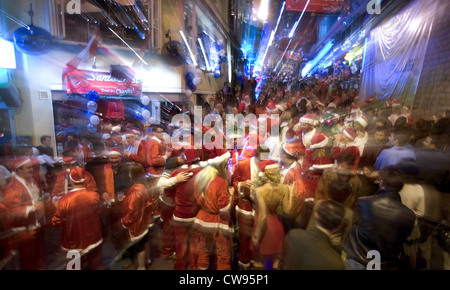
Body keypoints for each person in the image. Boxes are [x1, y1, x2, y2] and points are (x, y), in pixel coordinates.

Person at [343, 165, 416, 270]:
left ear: (381, 182)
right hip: (384, 264)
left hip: (358, 260)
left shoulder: (363, 202)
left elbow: (353, 226)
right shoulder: (409, 215)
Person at [52, 167, 103, 270]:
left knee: (73, 266)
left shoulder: (64, 200)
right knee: (96, 263)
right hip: (93, 235)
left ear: (71, 180)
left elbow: (56, 222)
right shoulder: (94, 195)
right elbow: (98, 211)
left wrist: (56, 206)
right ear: (84, 179)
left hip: (73, 239)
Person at [191, 152, 234, 270]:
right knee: (223, 252)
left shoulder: (200, 179)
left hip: (202, 218)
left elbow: (196, 200)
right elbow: (223, 208)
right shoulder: (220, 181)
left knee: (203, 248)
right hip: (218, 220)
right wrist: (231, 196)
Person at [3, 157, 46, 269]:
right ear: (18, 170)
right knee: (28, 261)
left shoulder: (31, 181)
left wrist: (43, 201)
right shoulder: (13, 188)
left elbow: (37, 197)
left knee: (39, 257)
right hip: (25, 232)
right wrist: (32, 208)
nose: (32, 169)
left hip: (36, 226)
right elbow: (11, 212)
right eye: (28, 168)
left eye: (32, 167)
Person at [279, 199, 346, 270]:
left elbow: (281, 265)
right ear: (339, 226)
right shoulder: (337, 264)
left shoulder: (293, 235)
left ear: (316, 215)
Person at [231, 145, 269, 269]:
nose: (263, 163)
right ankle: (244, 261)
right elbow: (234, 182)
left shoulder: (267, 166)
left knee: (257, 236)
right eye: (261, 160)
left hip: (260, 206)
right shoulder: (243, 164)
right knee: (244, 236)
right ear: (256, 156)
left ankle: (254, 260)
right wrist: (242, 184)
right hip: (245, 205)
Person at [251, 160, 290, 270]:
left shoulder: (260, 190)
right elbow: (287, 211)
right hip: (278, 226)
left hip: (264, 228)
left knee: (258, 263)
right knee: (276, 262)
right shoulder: (284, 188)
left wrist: (257, 236)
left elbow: (262, 216)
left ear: (265, 173)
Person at [119, 164, 152, 270]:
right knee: (145, 240)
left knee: (139, 246)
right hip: (145, 219)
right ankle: (147, 259)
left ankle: (141, 267)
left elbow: (133, 213)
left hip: (138, 223)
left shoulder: (136, 191)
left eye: (129, 173)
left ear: (134, 174)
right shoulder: (143, 185)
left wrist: (124, 222)